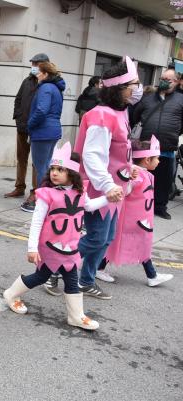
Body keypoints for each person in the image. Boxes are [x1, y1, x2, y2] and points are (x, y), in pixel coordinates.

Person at [3, 143, 106, 330]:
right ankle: (11, 294)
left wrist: (109, 197)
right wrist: (32, 248)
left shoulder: (80, 193)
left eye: (60, 169)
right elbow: (36, 222)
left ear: (72, 173)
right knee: (42, 276)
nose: (55, 173)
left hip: (71, 247)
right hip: (50, 247)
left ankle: (76, 316)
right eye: (53, 169)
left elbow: (90, 206)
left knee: (71, 279)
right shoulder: (46, 194)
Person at [71, 56, 141, 300]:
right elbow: (92, 156)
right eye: (134, 84)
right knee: (97, 237)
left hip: (113, 189)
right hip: (99, 189)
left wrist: (128, 169)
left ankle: (85, 280)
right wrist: (108, 184)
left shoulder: (120, 112)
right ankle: (55, 265)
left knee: (105, 238)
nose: (138, 89)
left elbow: (118, 151)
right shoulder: (102, 116)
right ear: (119, 88)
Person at [97, 137, 174, 287]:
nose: (159, 161)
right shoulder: (136, 175)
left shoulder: (145, 174)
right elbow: (124, 190)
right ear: (146, 160)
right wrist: (129, 180)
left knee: (128, 243)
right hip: (131, 220)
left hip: (141, 220)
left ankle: (99, 268)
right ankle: (152, 275)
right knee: (134, 243)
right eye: (156, 158)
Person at [130, 67, 183, 220]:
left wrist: (174, 133)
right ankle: (140, 203)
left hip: (167, 146)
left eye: (169, 80)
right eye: (162, 79)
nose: (165, 82)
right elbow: (136, 115)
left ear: (176, 82)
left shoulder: (180, 99)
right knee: (143, 177)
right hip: (146, 148)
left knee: (164, 180)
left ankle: (160, 207)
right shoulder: (148, 97)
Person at [22, 61, 65, 212]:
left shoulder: (45, 88)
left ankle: (42, 202)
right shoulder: (55, 88)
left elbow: (41, 110)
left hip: (42, 131)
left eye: (39, 72)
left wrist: (30, 125)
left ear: (46, 74)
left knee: (41, 168)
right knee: (47, 167)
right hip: (52, 130)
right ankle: (50, 199)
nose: (36, 74)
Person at [5, 53, 49, 201]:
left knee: (37, 162)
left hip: (37, 129)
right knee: (21, 159)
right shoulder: (27, 81)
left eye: (36, 64)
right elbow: (18, 100)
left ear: (44, 65)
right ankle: (19, 187)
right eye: (33, 64)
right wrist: (18, 118)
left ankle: (35, 191)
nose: (34, 67)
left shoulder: (47, 83)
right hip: (22, 127)